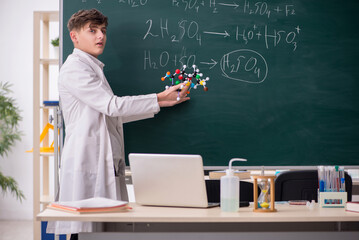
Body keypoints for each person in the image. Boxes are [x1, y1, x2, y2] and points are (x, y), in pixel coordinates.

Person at [47, 8, 189, 237]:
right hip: (88, 163)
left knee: (101, 230)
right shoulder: (75, 69)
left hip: (100, 161)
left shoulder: (91, 68)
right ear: (74, 36)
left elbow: (111, 114)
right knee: (84, 232)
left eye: (102, 30)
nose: (100, 36)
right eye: (92, 31)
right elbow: (112, 106)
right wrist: (158, 98)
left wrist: (161, 102)